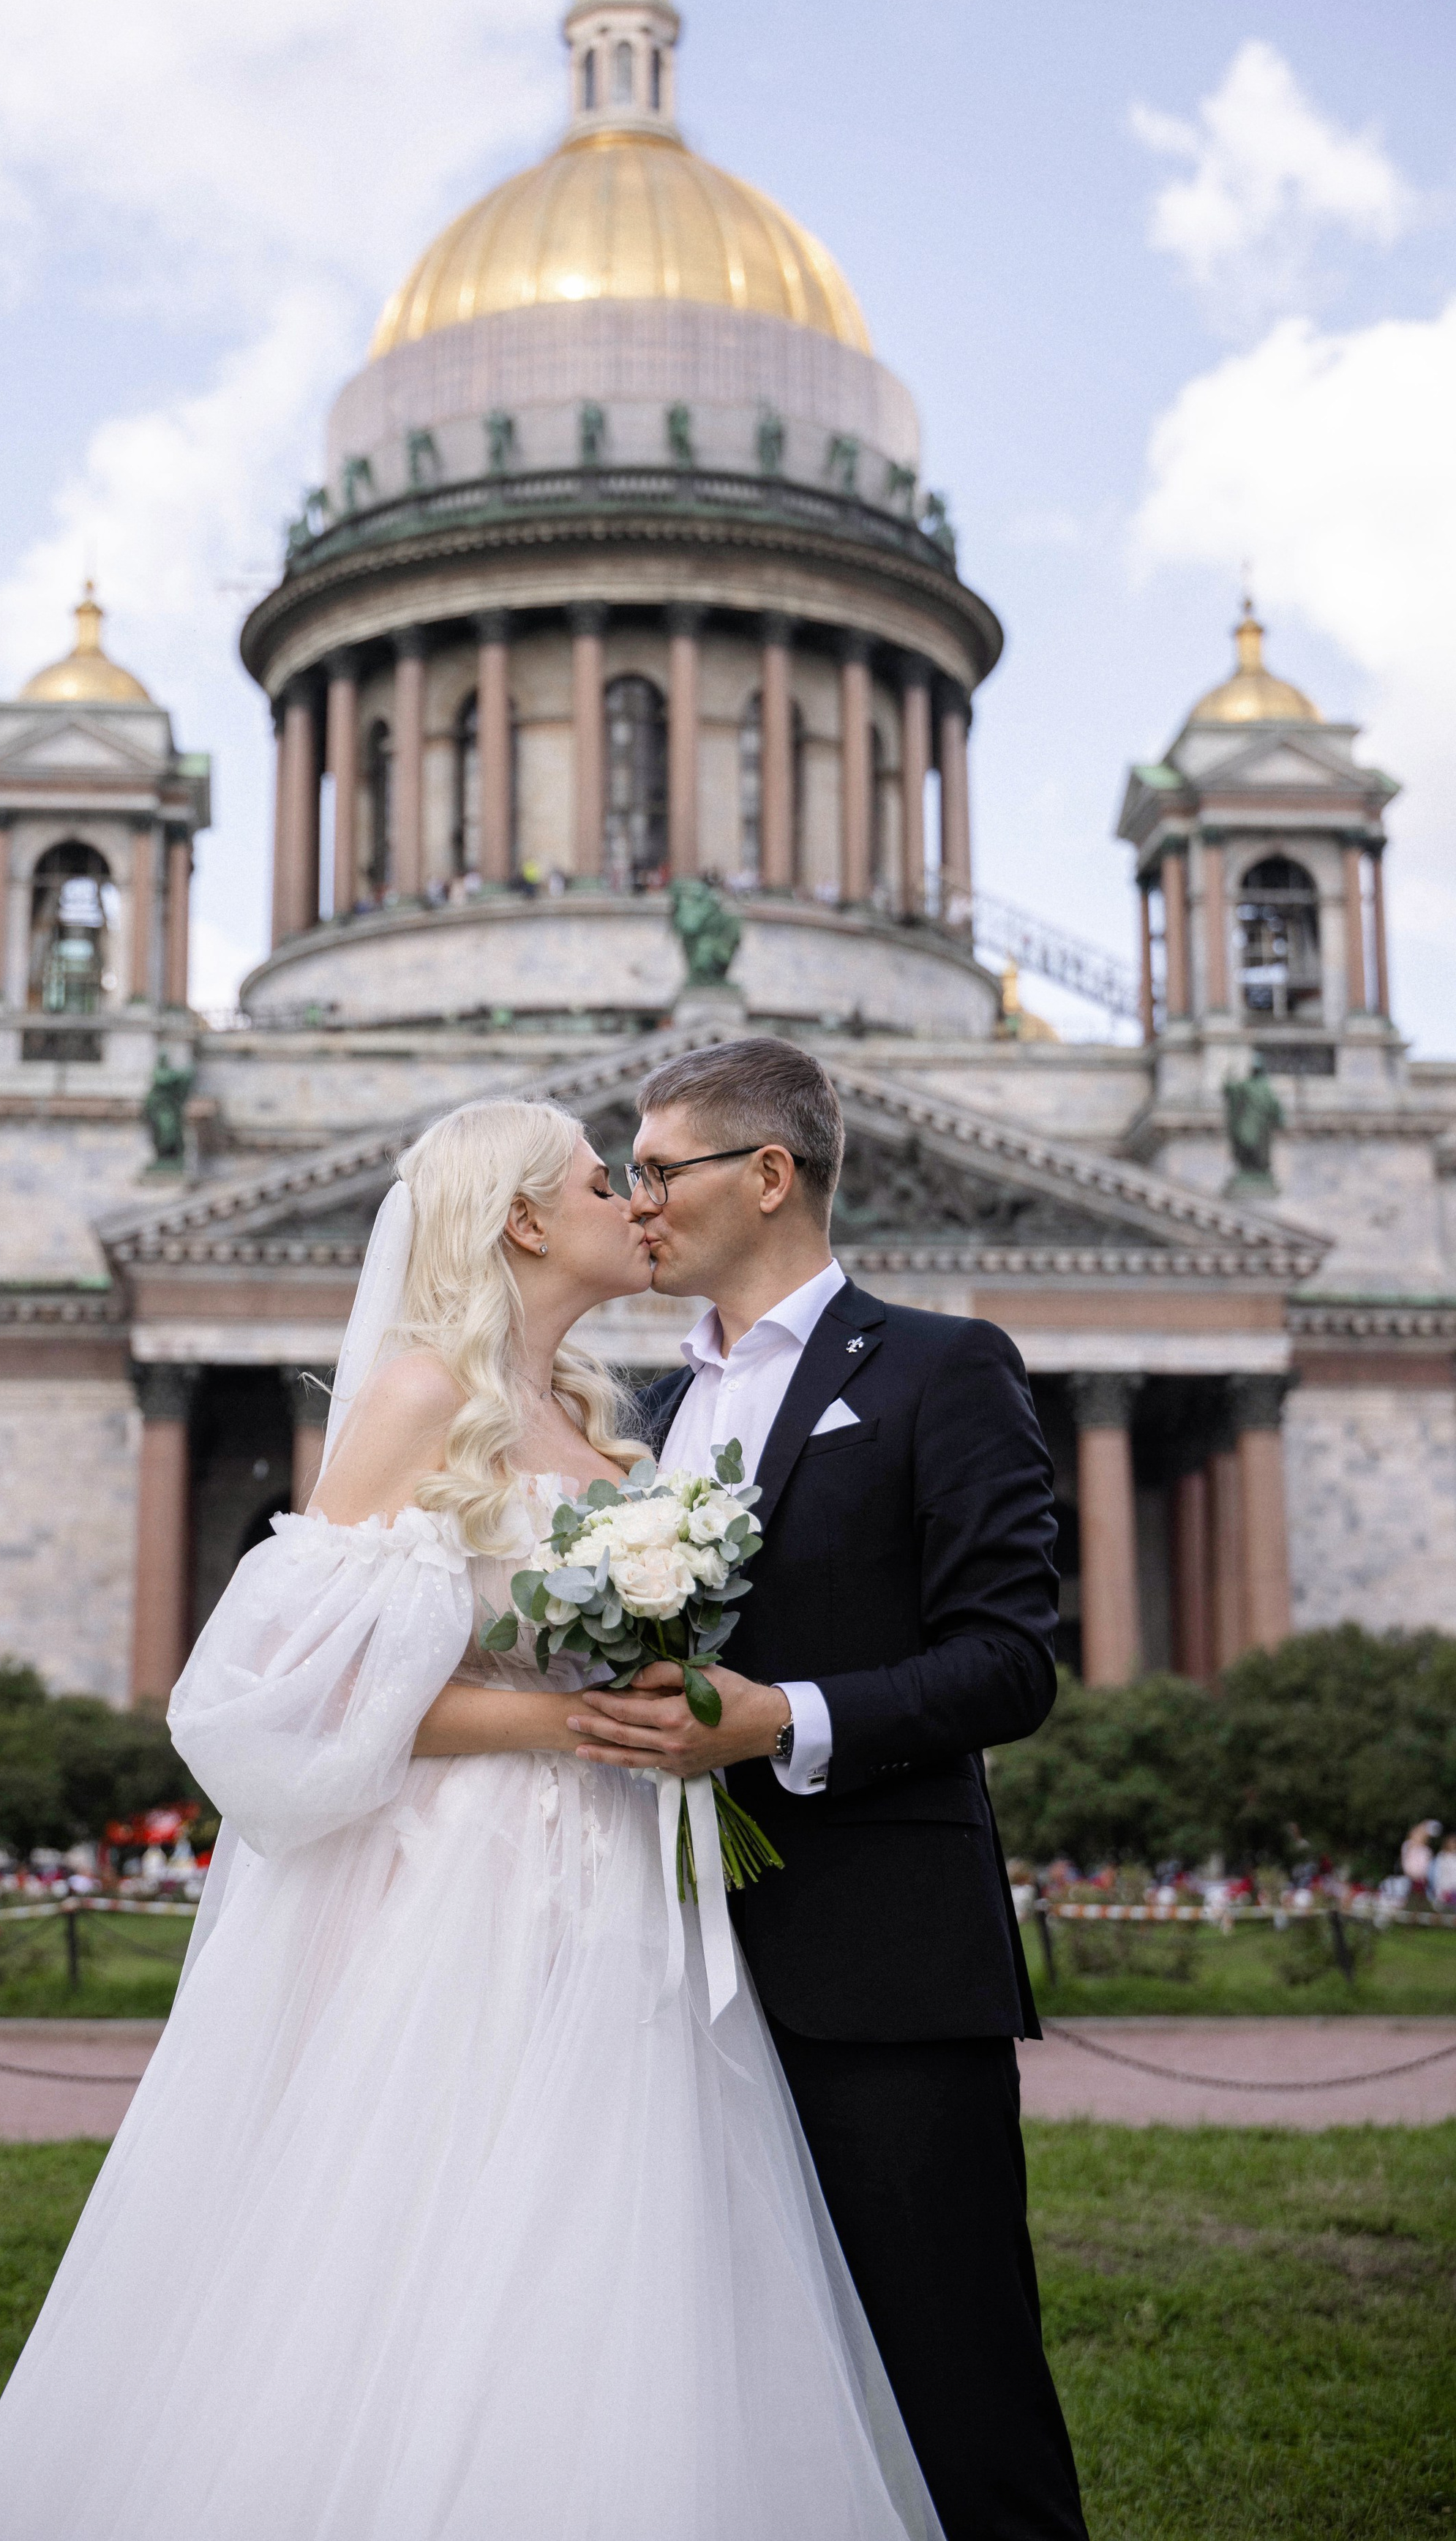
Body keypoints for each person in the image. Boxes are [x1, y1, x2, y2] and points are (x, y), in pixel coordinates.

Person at [0, 1097, 939, 2541]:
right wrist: (565, 1719)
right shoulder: (414, 1397)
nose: (636, 1202)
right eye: (606, 1181)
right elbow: (300, 1691)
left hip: (618, 1871)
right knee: (438, 2215)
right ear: (524, 1219)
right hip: (465, 1880)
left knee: (613, 2227)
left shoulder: (603, 1419)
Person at [576, 1036, 1086, 2541]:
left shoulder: (938, 1365)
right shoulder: (660, 1410)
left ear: (769, 1173)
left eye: (658, 1168)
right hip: (675, 1980)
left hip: (882, 1973)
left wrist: (773, 1720)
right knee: (737, 2391)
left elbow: (1009, 1660)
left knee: (957, 2387)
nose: (635, 1200)